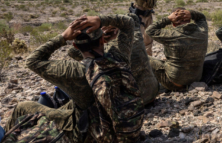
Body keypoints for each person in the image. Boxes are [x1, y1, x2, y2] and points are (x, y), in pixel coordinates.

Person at [6, 14, 144, 142]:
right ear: (102, 39)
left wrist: (63, 37)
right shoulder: (120, 58)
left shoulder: (76, 71)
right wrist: (100, 19)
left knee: (23, 107)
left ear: (75, 44)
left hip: (86, 133)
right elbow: (129, 23)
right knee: (68, 106)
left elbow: (32, 61)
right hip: (123, 128)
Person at [68, 13, 159, 105]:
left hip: (130, 103)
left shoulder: (109, 53)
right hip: (151, 93)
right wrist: (106, 20)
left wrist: (102, 38)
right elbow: (132, 19)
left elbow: (72, 52)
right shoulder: (136, 35)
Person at [146, 8, 208, 91]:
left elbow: (149, 30)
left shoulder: (170, 35)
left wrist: (167, 19)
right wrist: (191, 13)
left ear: (173, 23)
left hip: (174, 83)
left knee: (143, 56)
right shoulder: (202, 31)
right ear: (189, 20)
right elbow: (202, 18)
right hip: (195, 80)